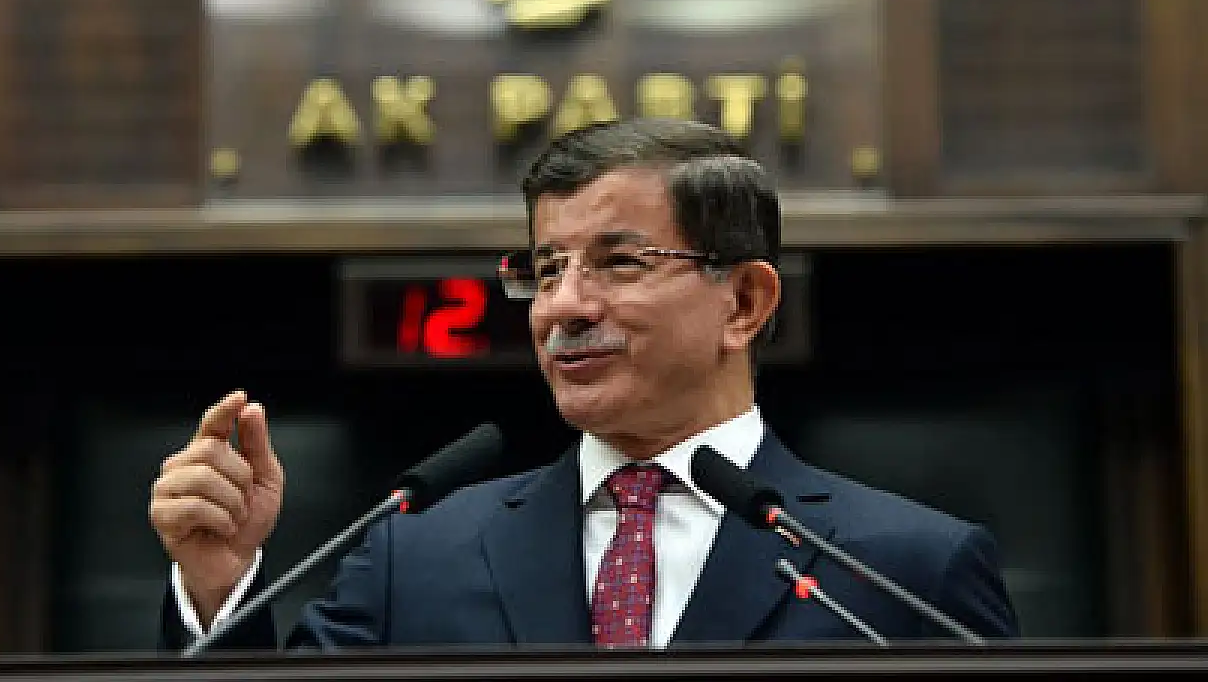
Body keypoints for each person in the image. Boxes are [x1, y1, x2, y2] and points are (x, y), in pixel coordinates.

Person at [150, 118, 1020, 652]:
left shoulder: (904, 571)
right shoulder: (415, 556)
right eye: (546, 269)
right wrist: (219, 588)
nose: (563, 306)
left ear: (744, 302)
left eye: (619, 262)